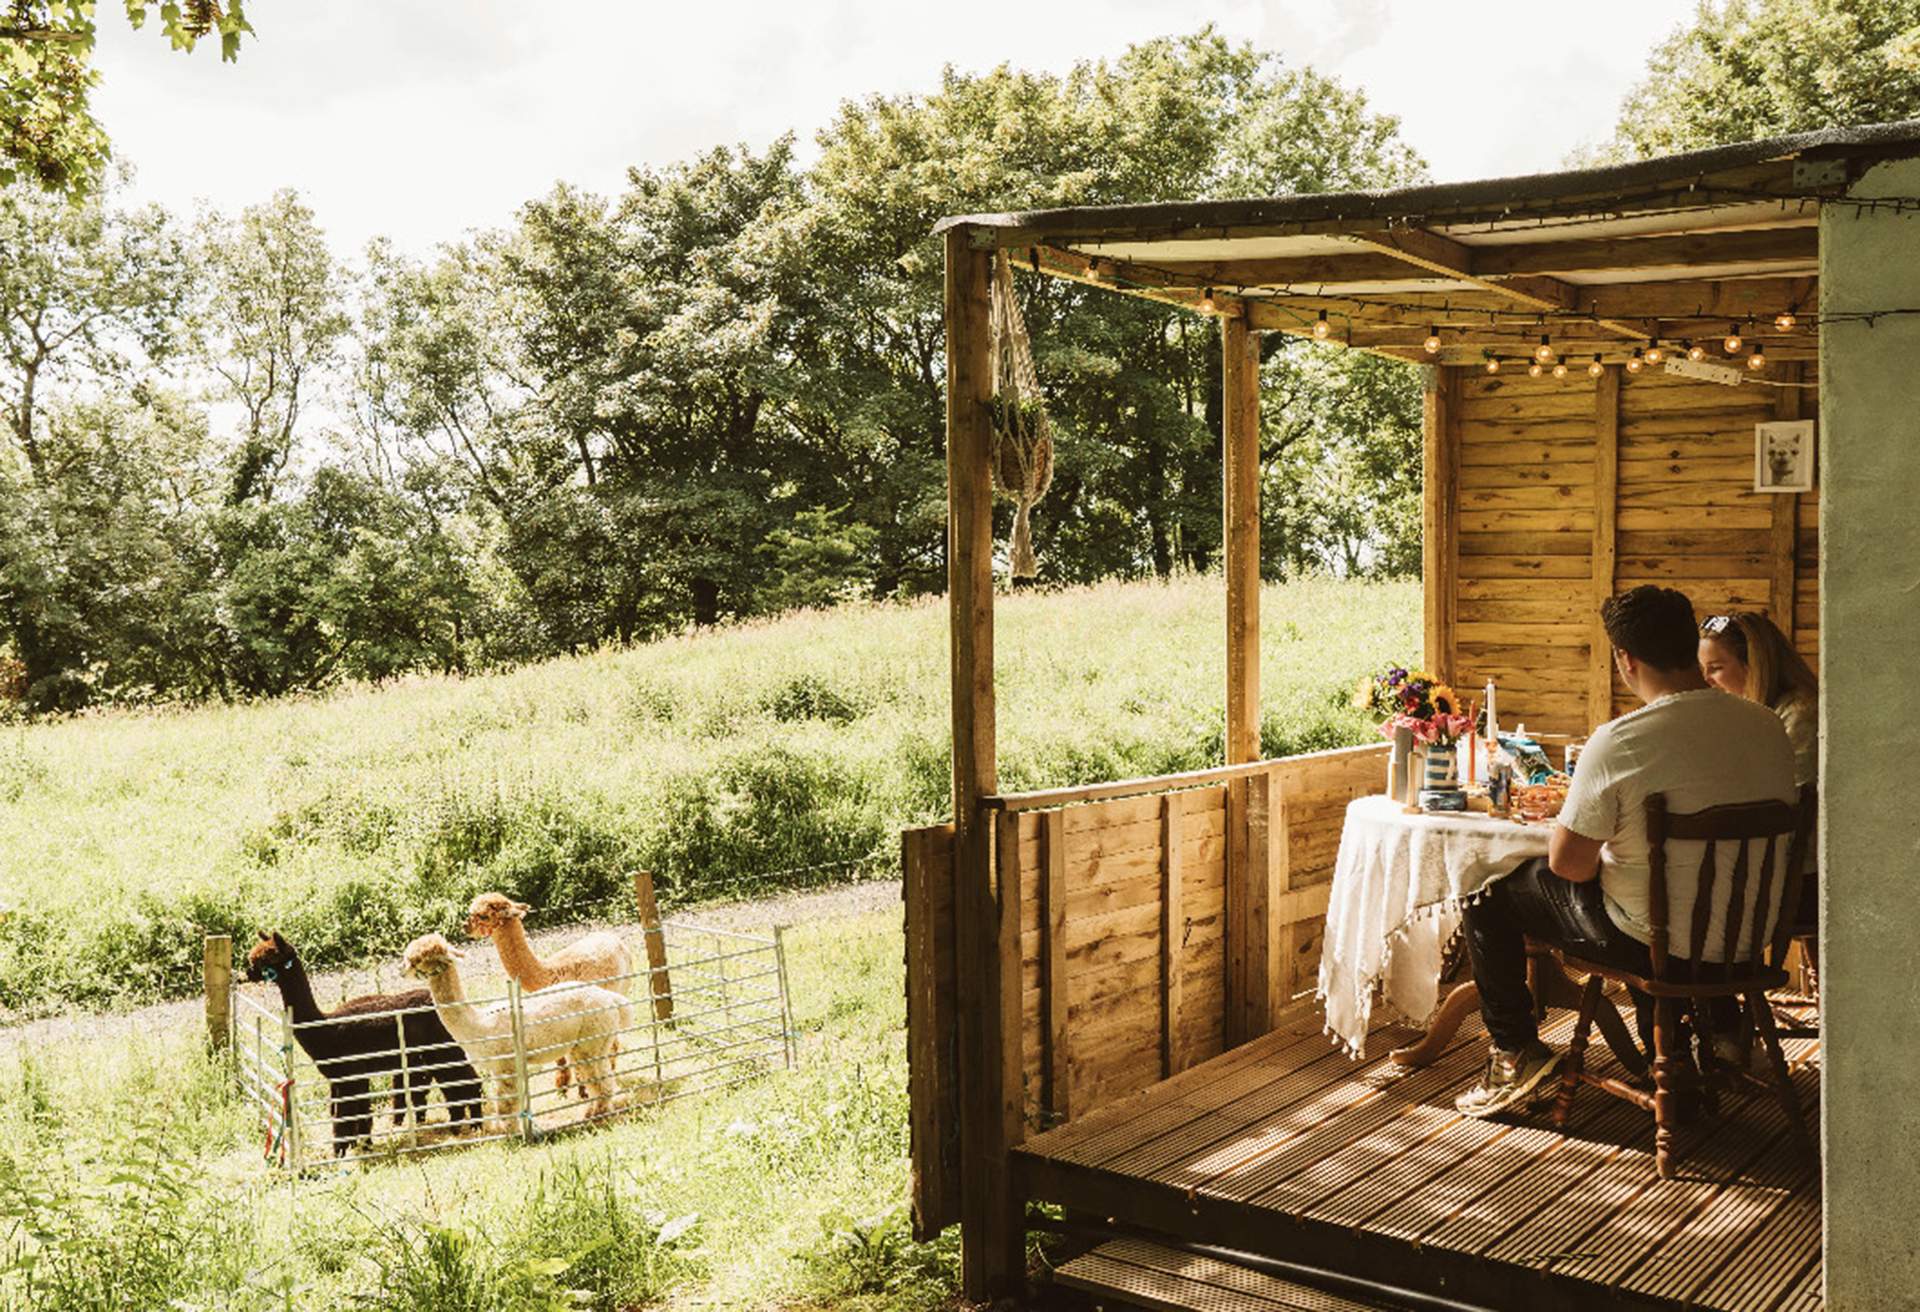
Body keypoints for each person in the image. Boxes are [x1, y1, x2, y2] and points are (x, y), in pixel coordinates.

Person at [1453, 585, 1796, 1118]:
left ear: (1625, 659)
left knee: (1487, 891)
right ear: (1689, 646)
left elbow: (1569, 865)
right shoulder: (1767, 725)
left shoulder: (1621, 740)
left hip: (1656, 946)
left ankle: (1514, 1051)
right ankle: (1692, 1048)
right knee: (1643, 892)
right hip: (1745, 941)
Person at [1698, 612, 1817, 788]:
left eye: (1715, 668)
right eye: (1703, 668)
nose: (1706, 679)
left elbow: (1795, 794)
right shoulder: (1737, 713)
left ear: (1754, 665)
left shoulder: (1800, 715)